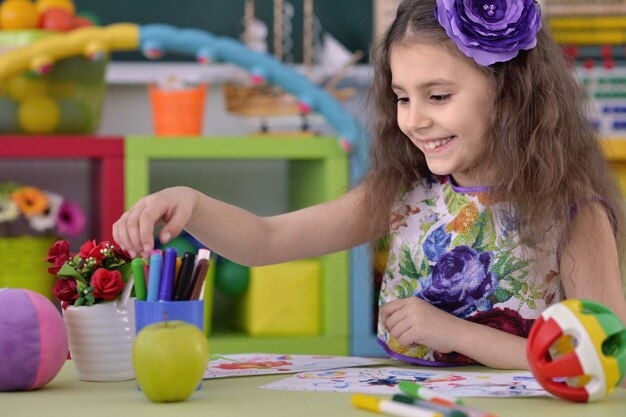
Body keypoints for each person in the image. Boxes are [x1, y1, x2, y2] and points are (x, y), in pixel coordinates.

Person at [113, 0, 626, 370]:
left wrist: (449, 332)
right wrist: (193, 204)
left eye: (439, 95)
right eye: (403, 97)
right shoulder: (405, 192)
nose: (415, 119)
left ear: (512, 95)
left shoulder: (573, 212)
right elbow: (266, 241)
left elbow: (602, 359)